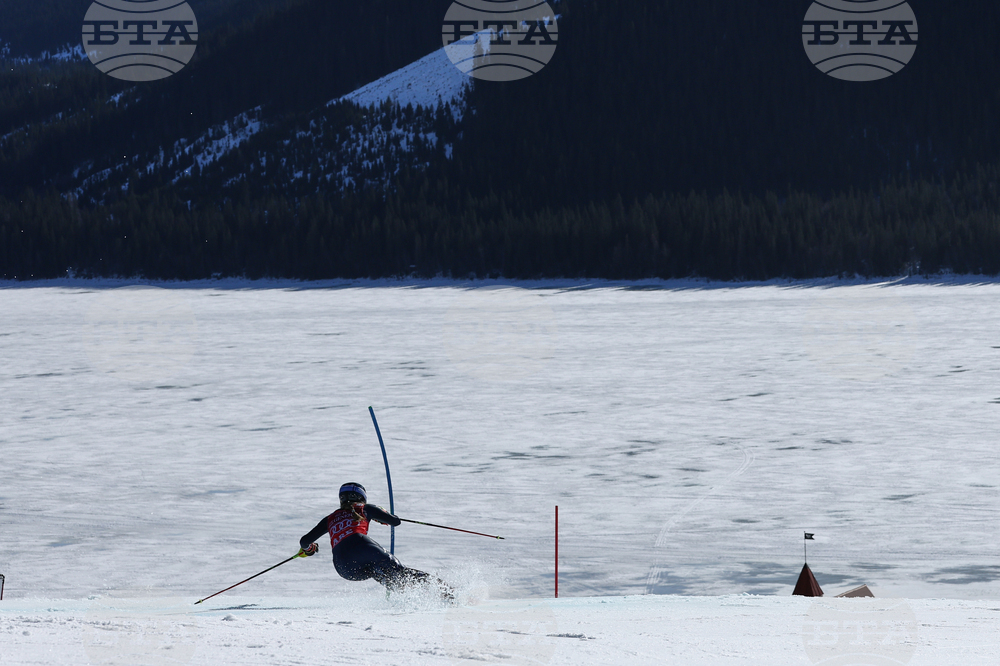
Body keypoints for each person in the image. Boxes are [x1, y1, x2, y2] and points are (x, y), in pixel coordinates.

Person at [298, 482, 453, 599]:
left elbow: (304, 541)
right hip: (362, 546)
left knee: (377, 572)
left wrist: (309, 549)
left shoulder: (329, 519)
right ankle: (447, 592)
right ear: (361, 497)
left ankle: (410, 599)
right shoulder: (365, 509)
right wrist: (383, 515)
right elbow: (395, 522)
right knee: (401, 573)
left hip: (343, 568)